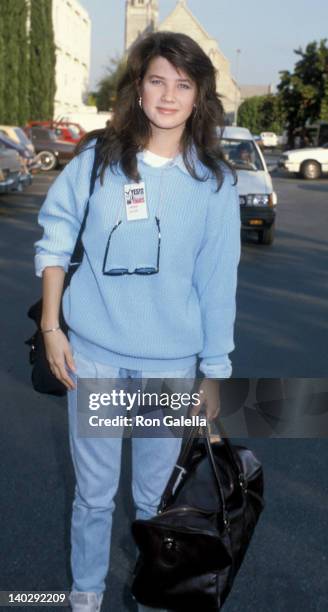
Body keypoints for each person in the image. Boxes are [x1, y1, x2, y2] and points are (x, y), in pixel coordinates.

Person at [34, 31, 241, 612]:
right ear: (139, 87)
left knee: (154, 503)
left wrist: (214, 371)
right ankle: (84, 597)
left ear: (199, 96)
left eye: (183, 84)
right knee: (95, 497)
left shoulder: (215, 184)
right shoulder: (98, 160)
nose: (168, 95)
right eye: (157, 80)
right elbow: (54, 242)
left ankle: (151, 598)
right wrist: (53, 327)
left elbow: (217, 283)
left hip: (170, 367)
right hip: (94, 354)